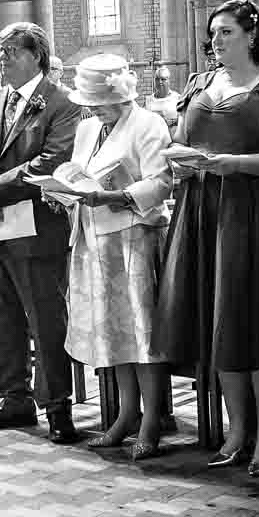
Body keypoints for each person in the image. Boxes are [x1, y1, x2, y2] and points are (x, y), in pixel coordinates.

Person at [154, 0, 259, 474]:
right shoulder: (200, 83)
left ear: (252, 34)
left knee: (252, 320)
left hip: (255, 212)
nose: (216, 41)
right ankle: (236, 427)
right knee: (217, 318)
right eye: (213, 33)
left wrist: (233, 164)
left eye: (226, 33)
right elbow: (177, 142)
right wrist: (183, 157)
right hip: (202, 208)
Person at [0, 21, 84, 442]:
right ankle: (15, 400)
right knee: (3, 315)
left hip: (35, 226)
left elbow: (50, 161)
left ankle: (57, 407)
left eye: (11, 50)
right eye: (0, 50)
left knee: (45, 319)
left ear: (36, 55)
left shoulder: (61, 102)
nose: (3, 57)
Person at [61, 55, 176, 460]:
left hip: (134, 238)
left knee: (140, 331)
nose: (92, 109)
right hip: (95, 238)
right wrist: (61, 190)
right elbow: (77, 172)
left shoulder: (148, 124)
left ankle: (151, 421)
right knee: (112, 331)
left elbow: (161, 181)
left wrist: (114, 195)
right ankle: (126, 413)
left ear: (119, 96)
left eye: (99, 101)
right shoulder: (88, 127)